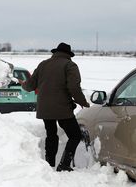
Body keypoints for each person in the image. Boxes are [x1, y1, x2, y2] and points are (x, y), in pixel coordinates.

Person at [21, 42, 90, 172]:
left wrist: (23, 84)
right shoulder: (70, 65)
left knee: (51, 134)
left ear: (55, 52)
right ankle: (64, 164)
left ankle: (49, 164)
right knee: (75, 135)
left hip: (44, 108)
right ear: (69, 55)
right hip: (62, 108)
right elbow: (74, 87)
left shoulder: (43, 64)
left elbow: (29, 86)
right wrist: (83, 102)